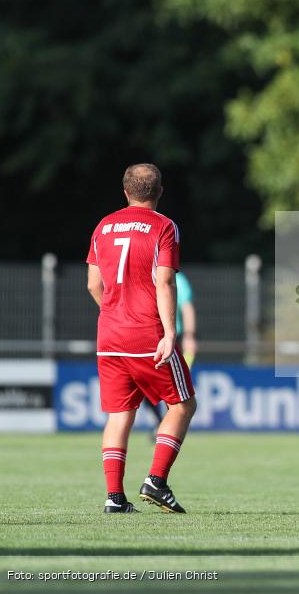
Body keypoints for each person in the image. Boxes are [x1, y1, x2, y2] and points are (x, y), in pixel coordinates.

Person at [86, 163, 197, 513]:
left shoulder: (103, 225)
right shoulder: (164, 226)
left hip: (109, 334)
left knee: (119, 415)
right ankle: (156, 480)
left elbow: (93, 284)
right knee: (183, 404)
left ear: (125, 191)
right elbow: (164, 281)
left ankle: (114, 498)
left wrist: (116, 312)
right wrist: (169, 331)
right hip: (146, 333)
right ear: (160, 191)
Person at [141, 271, 197, 428]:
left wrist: (189, 336)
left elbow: (187, 308)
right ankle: (161, 423)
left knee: (173, 390)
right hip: (147, 339)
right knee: (146, 388)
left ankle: (166, 427)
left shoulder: (178, 278)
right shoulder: (143, 275)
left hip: (171, 339)